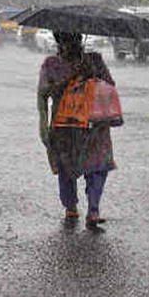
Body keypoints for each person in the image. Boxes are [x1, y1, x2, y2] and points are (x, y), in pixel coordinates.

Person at [37, 31, 117, 230]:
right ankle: (83, 208)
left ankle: (84, 209)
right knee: (89, 167)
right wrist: (74, 78)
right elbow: (46, 93)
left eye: (73, 41)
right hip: (77, 126)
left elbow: (109, 86)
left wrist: (91, 75)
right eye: (66, 41)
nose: (70, 45)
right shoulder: (54, 64)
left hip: (85, 125)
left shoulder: (91, 61)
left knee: (89, 167)